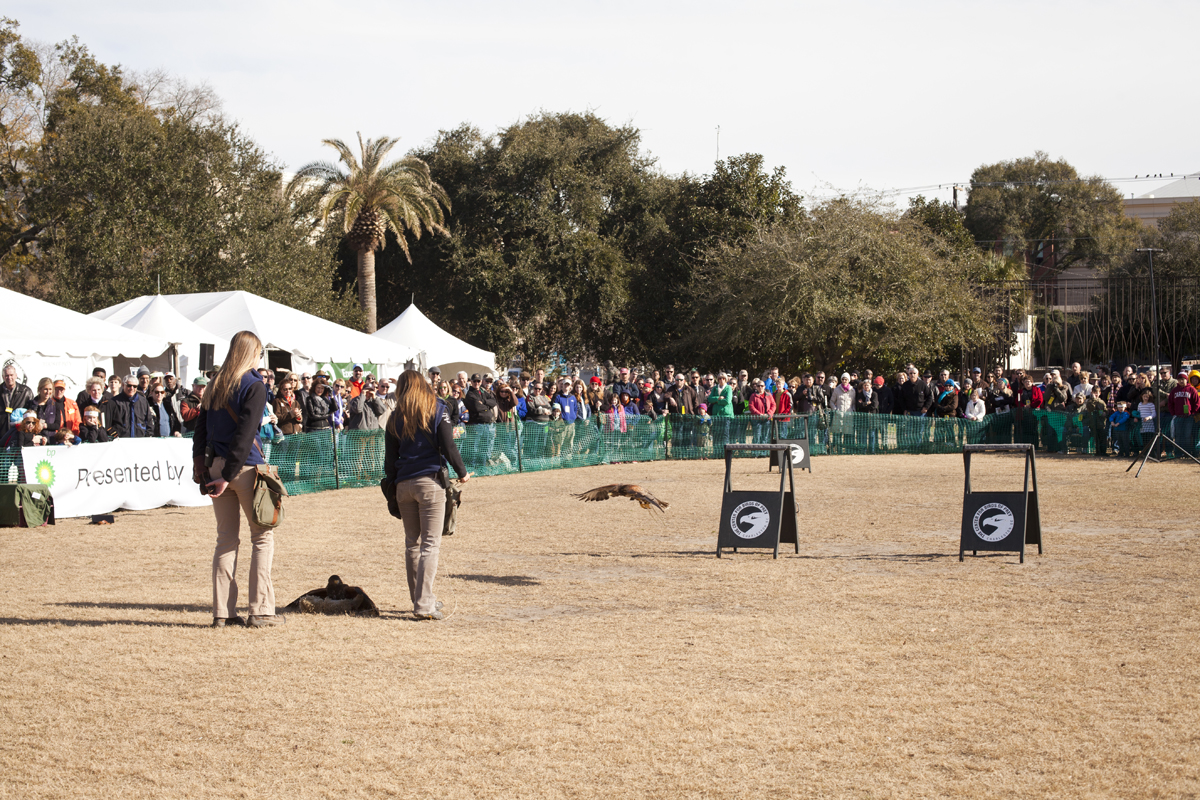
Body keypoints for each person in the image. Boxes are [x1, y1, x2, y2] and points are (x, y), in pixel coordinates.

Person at [192, 330, 283, 629]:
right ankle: (260, 610)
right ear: (252, 352)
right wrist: (229, 473)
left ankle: (223, 613)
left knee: (226, 540)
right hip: (244, 468)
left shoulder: (216, 382)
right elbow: (245, 435)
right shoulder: (254, 385)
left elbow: (200, 431)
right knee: (262, 537)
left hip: (218, 468)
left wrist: (203, 469)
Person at [383, 370, 470, 621]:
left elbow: (390, 460)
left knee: (413, 544)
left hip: (403, 484)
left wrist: (391, 489)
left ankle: (421, 599)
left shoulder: (394, 417)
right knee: (430, 545)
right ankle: (423, 605)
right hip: (429, 482)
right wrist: (462, 473)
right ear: (423, 385)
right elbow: (448, 445)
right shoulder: (437, 408)